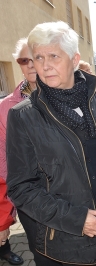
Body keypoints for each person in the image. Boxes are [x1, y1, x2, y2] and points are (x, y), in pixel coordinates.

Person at [6, 21, 96, 266]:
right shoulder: (23, 116)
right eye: (38, 57)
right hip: (63, 240)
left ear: (74, 59)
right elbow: (21, 188)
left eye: (54, 55)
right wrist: (75, 219)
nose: (45, 65)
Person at [0, 37, 36, 266]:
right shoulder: (6, 107)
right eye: (25, 60)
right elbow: (3, 162)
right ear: (18, 64)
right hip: (28, 197)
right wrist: (4, 217)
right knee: (41, 250)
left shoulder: (68, 98)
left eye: (36, 58)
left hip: (71, 195)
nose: (31, 64)